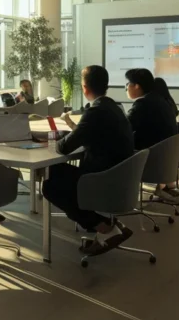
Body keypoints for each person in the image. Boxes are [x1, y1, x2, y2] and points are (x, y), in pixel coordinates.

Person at [42, 65, 135, 256]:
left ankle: (104, 227)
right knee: (57, 171)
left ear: (85, 88)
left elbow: (64, 147)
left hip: (102, 177)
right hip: (121, 174)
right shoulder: (114, 107)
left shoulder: (95, 112)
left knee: (50, 183)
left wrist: (58, 138)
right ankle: (108, 222)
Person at [125, 68, 179, 203]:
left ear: (137, 86)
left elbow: (122, 129)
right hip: (165, 159)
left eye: (127, 84)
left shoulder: (142, 104)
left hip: (150, 160)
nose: (126, 88)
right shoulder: (162, 101)